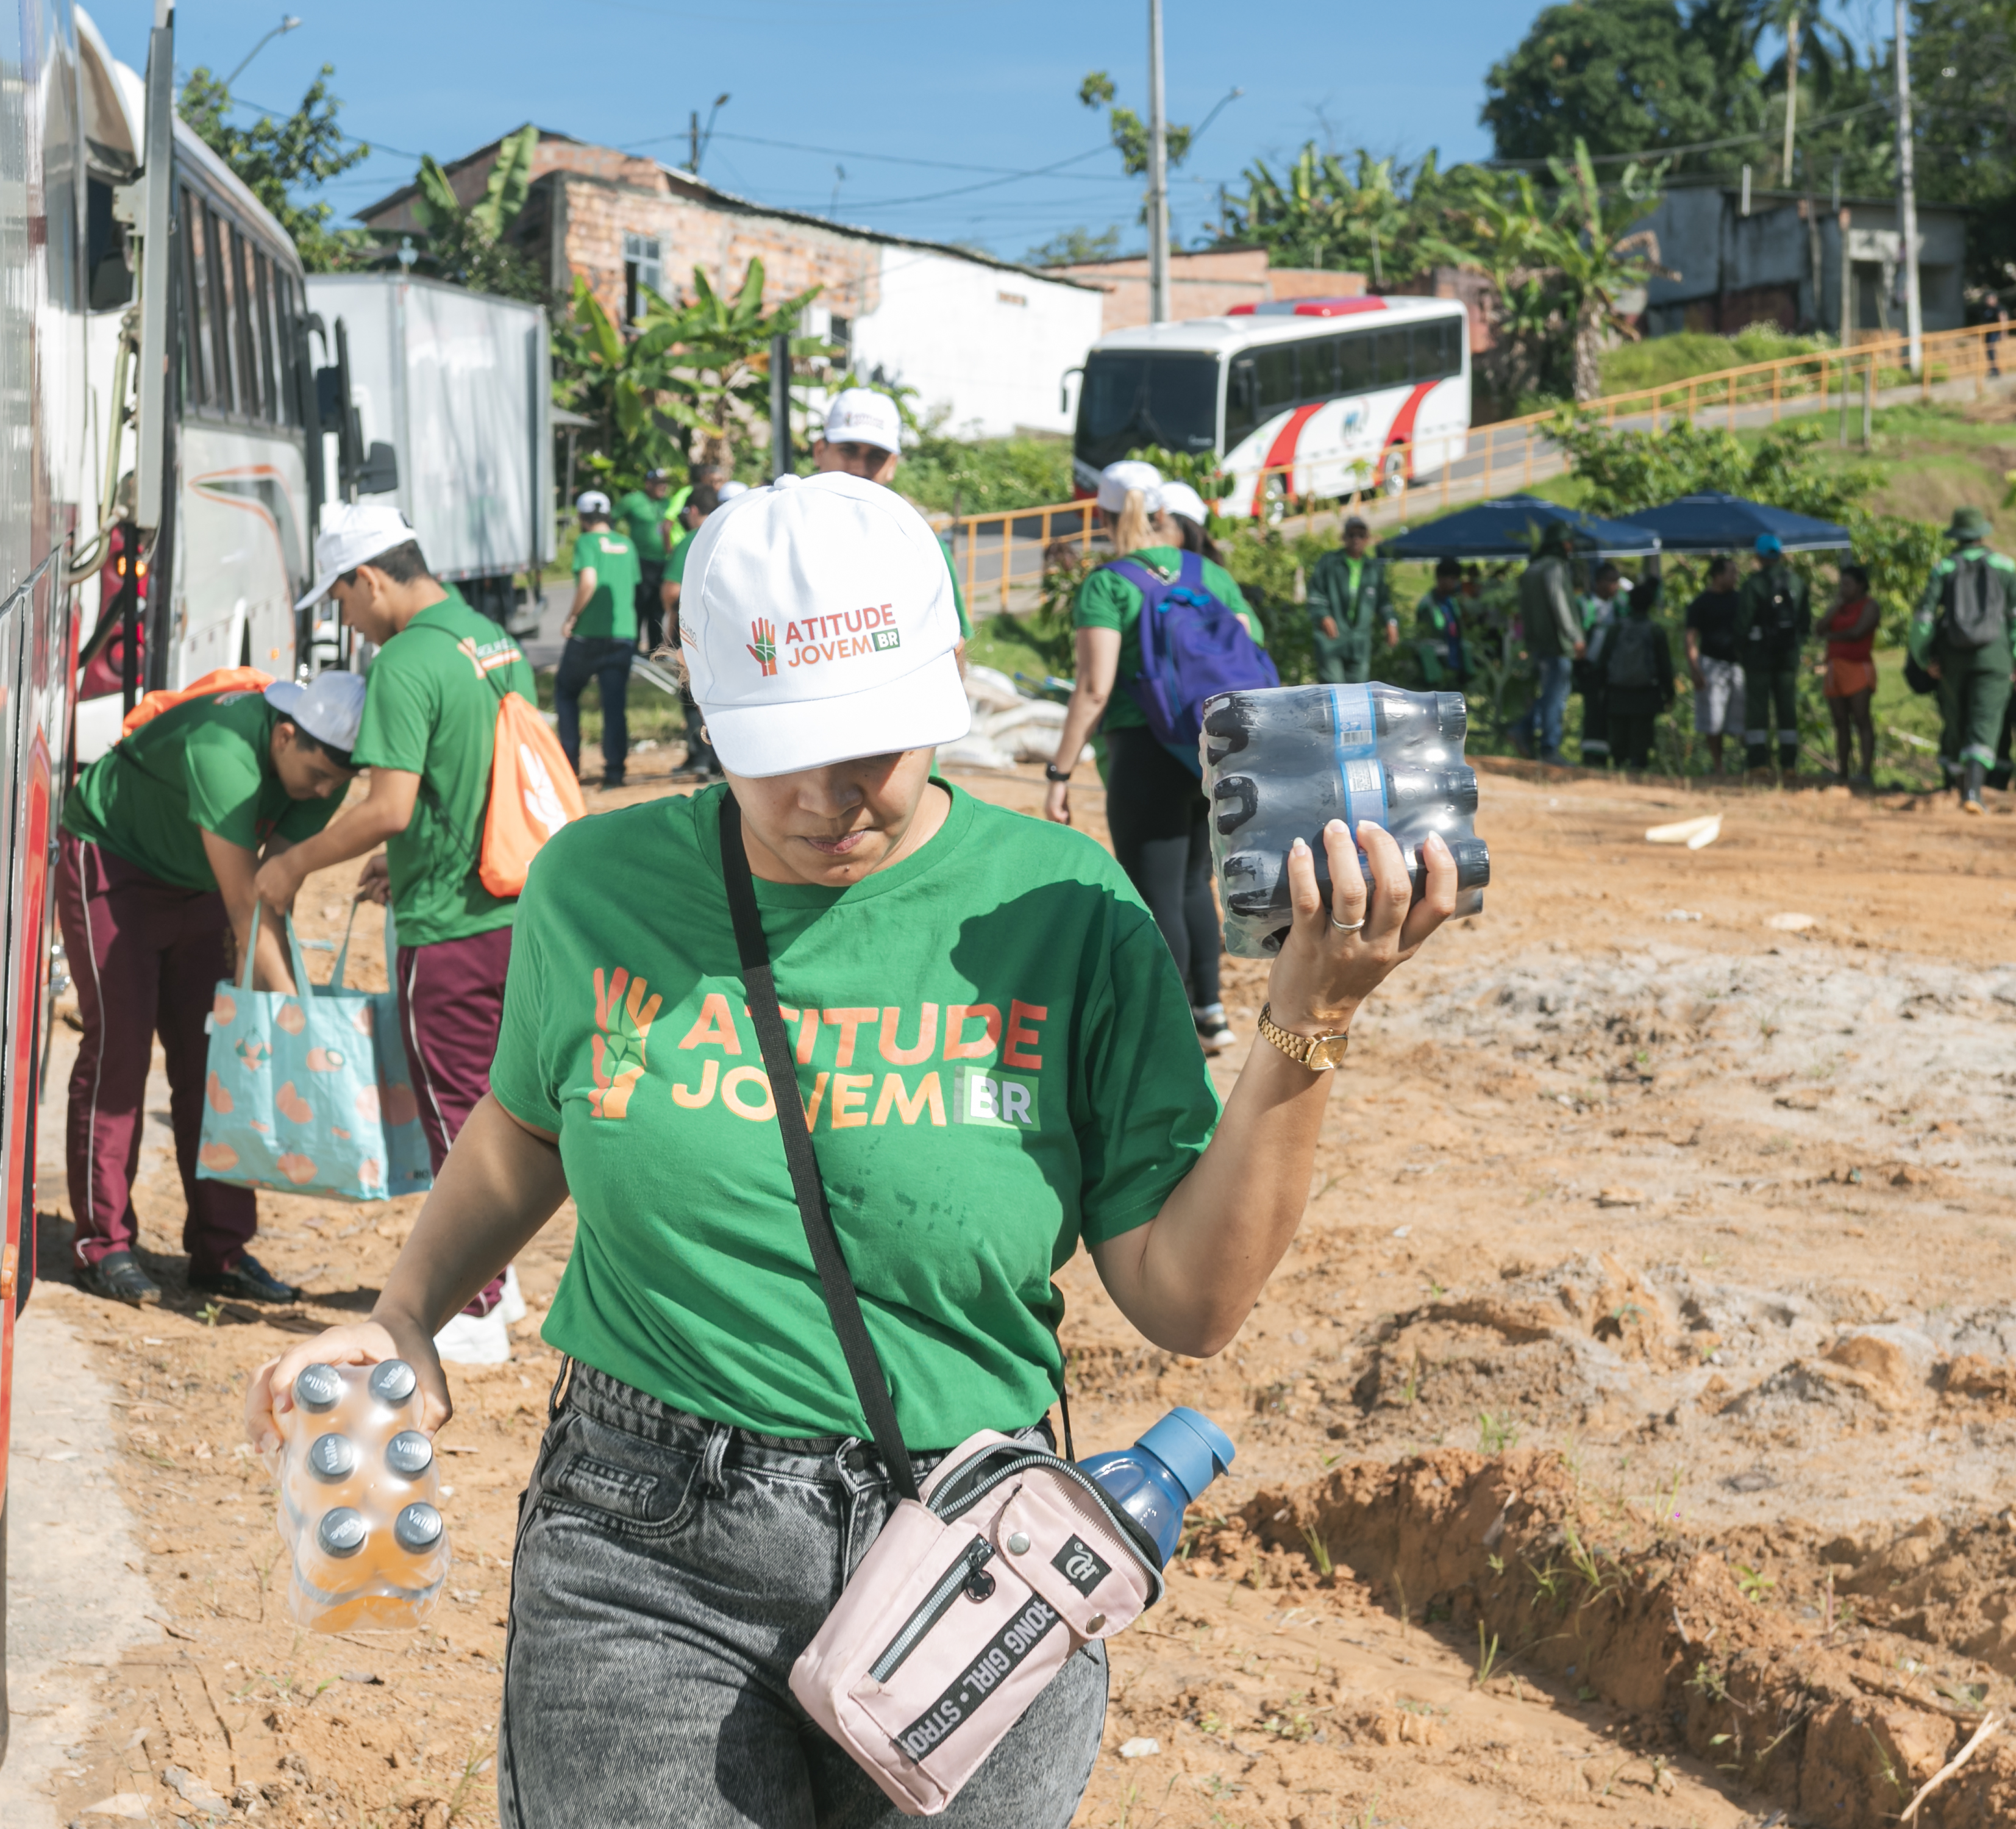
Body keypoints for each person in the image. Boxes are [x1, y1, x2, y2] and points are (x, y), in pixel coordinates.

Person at [243, 468, 1464, 1828]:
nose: (834, 796)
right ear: (707, 713)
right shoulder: (596, 888)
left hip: (976, 1559)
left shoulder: (1069, 911)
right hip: (647, 1549)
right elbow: (528, 1128)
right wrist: (406, 1312)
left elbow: (1190, 1301)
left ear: (941, 689)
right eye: (783, 751)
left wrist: (1310, 1021)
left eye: (875, 744)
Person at [255, 505, 541, 1353]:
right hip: (515, 907)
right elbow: (483, 774)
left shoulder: (406, 662)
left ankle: (475, 1309)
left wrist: (295, 866)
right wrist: (404, 854)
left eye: (342, 599)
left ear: (369, 578)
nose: (347, 620)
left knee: (455, 1115)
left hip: (448, 925)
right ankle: (503, 1282)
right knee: (506, 1107)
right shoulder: (489, 638)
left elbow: (389, 805)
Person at [57, 671, 361, 1305]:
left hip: (202, 882)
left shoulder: (322, 771)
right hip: (117, 863)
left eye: (338, 781)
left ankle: (221, 1251)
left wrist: (280, 1019)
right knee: (120, 1051)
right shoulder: (223, 751)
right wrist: (302, 1027)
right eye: (319, 776)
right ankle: (103, 1244)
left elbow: (272, 896)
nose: (325, 792)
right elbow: (249, 912)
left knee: (218, 1058)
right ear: (285, 736)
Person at [1044, 462, 1262, 1055]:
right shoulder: (1210, 575)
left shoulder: (1108, 585)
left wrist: (1060, 773)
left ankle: (1171, 1029)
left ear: (1105, 516)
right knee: (1195, 882)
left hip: (1144, 753)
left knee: (1154, 890)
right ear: (1164, 512)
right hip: (1214, 750)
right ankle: (1210, 1013)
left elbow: (1094, 688)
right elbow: (1248, 648)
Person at [813, 387, 974, 657]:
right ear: (820, 451)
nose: (859, 469)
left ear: (892, 465)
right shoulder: (773, 538)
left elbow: (954, 646)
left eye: (876, 456)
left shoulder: (921, 547)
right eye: (848, 451)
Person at [1907, 506, 2016, 813]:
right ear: (1981, 534)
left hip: (1952, 657)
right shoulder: (2005, 566)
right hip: (1995, 656)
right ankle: (1973, 794)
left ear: (1957, 536)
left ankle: (1956, 789)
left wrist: (1924, 658)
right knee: (1985, 721)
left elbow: (1924, 617)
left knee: (1956, 719)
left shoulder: (1944, 567)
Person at [558, 490, 641, 790]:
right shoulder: (627, 544)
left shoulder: (586, 542)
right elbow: (632, 585)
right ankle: (615, 772)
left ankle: (569, 767)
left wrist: (572, 617)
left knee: (566, 692)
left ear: (582, 518)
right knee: (614, 704)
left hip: (588, 636)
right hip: (623, 634)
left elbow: (588, 581)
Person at [659, 484, 723, 778]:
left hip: (695, 631)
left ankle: (702, 757)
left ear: (694, 510)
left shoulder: (692, 539)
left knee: (691, 694)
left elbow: (672, 591)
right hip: (727, 631)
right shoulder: (729, 532)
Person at [1734, 534, 1810, 773]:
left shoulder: (1754, 584)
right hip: (1788, 657)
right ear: (1780, 554)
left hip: (1758, 657)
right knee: (1787, 707)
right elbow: (1805, 622)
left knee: (1758, 708)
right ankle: (1789, 764)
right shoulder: (1796, 582)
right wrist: (1795, 646)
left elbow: (1743, 622)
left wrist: (1740, 649)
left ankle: (1759, 762)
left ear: (1758, 556)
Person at [1513, 525, 1582, 761]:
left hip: (1537, 644)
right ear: (1562, 543)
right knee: (1555, 697)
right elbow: (1559, 603)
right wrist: (1575, 637)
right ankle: (1549, 747)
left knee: (1549, 693)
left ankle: (1524, 730)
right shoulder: (1554, 567)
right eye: (1570, 542)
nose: (1572, 547)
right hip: (1557, 644)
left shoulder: (1532, 568)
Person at [1594, 574, 1674, 769]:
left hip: (1617, 693)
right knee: (1641, 743)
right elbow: (1665, 666)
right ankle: (1637, 773)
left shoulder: (1616, 629)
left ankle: (1618, 772)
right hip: (1645, 694)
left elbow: (1602, 661)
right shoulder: (1655, 631)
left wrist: (1600, 689)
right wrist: (1669, 693)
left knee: (1618, 741)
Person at [1306, 518, 1398, 684]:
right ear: (1344, 537)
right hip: (1332, 639)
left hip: (1360, 641)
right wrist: (1324, 616)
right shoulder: (1329, 562)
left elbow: (1384, 601)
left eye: (1361, 535)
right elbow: (1315, 594)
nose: (1356, 539)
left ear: (1368, 539)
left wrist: (1390, 622)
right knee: (1334, 686)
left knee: (1359, 690)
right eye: (1352, 535)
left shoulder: (1373, 569)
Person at [1679, 555, 1745, 774]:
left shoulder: (1741, 600)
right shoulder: (1701, 603)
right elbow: (1690, 638)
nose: (1736, 577)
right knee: (1713, 719)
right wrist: (1695, 669)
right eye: (1732, 573)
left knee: (1743, 717)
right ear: (1718, 576)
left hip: (1738, 666)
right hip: (1711, 665)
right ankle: (1719, 766)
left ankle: (1753, 765)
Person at [1819, 563, 1880, 787]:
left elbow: (1858, 632)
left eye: (1847, 584)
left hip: (1858, 668)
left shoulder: (1870, 606)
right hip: (1835, 668)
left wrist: (1832, 636)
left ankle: (1865, 772)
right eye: (1841, 584)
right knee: (1840, 721)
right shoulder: (1838, 607)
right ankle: (1842, 771)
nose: (1843, 588)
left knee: (1861, 718)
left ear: (1860, 585)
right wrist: (1834, 610)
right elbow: (1819, 629)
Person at [616, 466, 677, 654]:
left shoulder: (668, 503)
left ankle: (654, 651)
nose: (663, 487)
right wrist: (619, 544)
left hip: (664, 563)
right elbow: (611, 518)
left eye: (665, 483)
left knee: (658, 609)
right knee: (639, 605)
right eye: (659, 483)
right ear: (648, 484)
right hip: (640, 562)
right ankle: (632, 649)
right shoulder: (633, 500)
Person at [1574, 561, 1628, 764]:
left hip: (1616, 670)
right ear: (1598, 582)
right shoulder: (1585, 603)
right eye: (1611, 581)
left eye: (1617, 581)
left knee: (1613, 712)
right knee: (1593, 711)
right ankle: (1592, 756)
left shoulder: (1621, 603)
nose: (1615, 586)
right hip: (1591, 667)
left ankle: (1615, 754)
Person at [1412, 558, 1472, 691]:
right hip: (1437, 664)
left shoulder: (1452, 602)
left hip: (1455, 662)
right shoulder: (1427, 604)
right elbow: (1425, 638)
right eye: (1452, 579)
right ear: (1440, 578)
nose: (1455, 583)